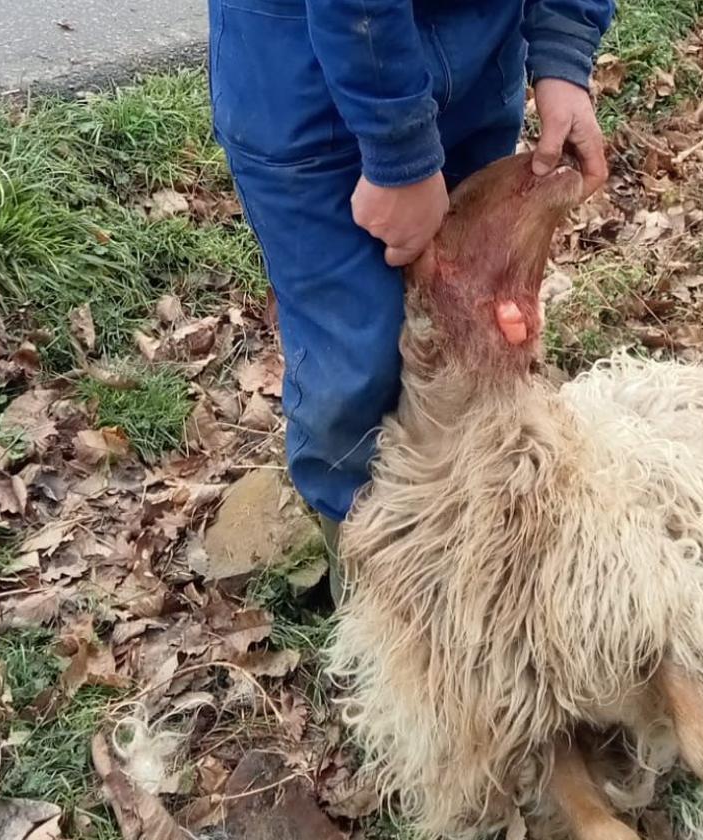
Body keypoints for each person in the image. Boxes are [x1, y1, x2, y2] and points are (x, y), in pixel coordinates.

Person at [208, 0, 615, 599]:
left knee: (473, 337)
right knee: (357, 365)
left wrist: (562, 52)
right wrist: (400, 156)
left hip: (475, 67)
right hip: (307, 93)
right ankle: (373, 597)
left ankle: (464, 552)